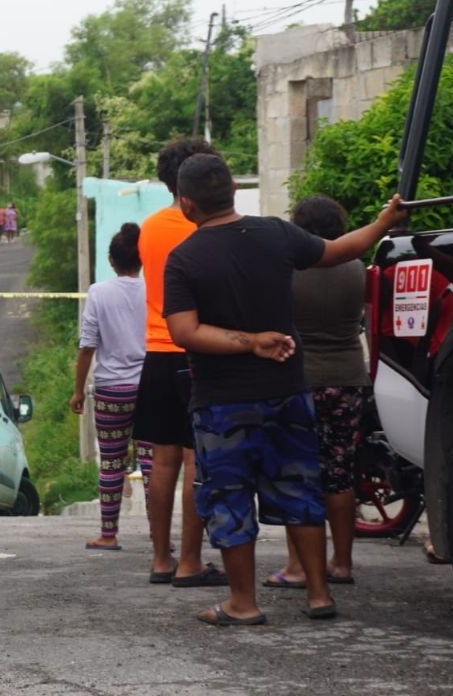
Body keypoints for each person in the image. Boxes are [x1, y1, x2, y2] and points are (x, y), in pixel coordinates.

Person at [163, 153, 406, 625]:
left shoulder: (185, 258)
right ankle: (318, 594)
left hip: (222, 402)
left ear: (186, 204)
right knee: (301, 489)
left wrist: (249, 342)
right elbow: (338, 250)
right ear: (234, 188)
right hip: (288, 390)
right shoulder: (277, 233)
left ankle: (243, 603)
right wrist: (383, 221)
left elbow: (185, 332)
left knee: (229, 496)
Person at [133, 138, 225, 588]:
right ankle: (191, 561)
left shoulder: (149, 228)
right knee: (196, 461)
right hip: (197, 351)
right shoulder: (204, 228)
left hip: (155, 351)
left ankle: (159, 559)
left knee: (162, 461)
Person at [264, 197, 365, 589]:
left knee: (296, 475)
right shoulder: (357, 268)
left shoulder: (289, 271)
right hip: (348, 378)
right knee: (340, 475)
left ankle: (299, 566)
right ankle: (341, 563)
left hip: (298, 380)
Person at [71, 224, 147, 551]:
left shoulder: (99, 293)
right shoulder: (154, 290)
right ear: (142, 260)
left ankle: (108, 534)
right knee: (154, 465)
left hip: (110, 391)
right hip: (150, 390)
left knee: (112, 463)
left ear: (111, 261)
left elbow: (87, 347)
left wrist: (77, 392)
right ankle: (161, 539)